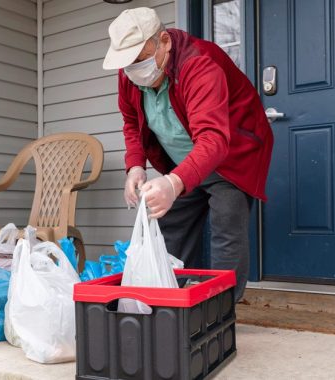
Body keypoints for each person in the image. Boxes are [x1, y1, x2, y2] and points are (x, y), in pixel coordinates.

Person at [103, 7, 273, 301]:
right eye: (127, 63)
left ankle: (220, 312)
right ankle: (172, 302)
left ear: (164, 42)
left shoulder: (199, 64)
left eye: (140, 59)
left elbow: (214, 138)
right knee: (169, 227)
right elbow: (131, 121)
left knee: (226, 232)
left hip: (230, 156)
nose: (133, 70)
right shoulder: (129, 73)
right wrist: (135, 167)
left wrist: (172, 183)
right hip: (184, 161)